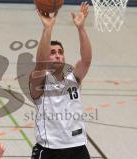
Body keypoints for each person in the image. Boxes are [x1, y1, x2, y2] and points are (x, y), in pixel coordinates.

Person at [29, 2, 92, 159]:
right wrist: (47, 29)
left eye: (60, 52)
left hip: (78, 147)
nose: (57, 54)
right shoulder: (38, 80)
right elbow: (40, 64)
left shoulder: (74, 78)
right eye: (52, 52)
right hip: (49, 150)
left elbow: (86, 60)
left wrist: (81, 28)